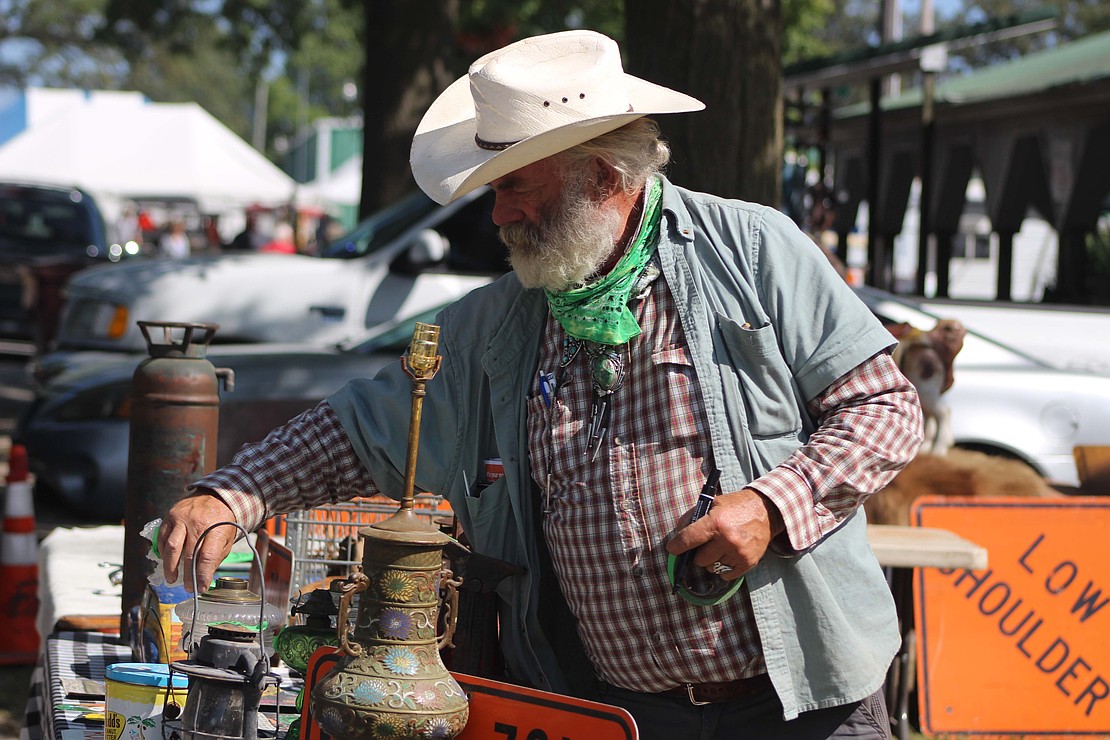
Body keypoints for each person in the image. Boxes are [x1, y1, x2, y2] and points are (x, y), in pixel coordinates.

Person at [159, 30, 922, 740]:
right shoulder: (497, 322)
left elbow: (886, 409)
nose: (499, 213)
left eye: (516, 185)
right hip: (614, 713)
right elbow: (361, 428)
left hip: (805, 705)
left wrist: (769, 508)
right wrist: (236, 491)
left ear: (602, 175)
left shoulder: (753, 250)